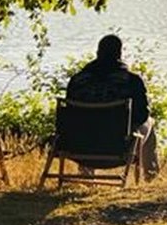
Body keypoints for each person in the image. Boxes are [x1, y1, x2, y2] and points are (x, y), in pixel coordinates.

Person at [65, 33, 160, 180]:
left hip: (78, 147)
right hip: (118, 147)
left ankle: (86, 175)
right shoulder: (132, 81)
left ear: (98, 53)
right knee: (149, 121)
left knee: (87, 121)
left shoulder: (77, 80)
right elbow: (142, 115)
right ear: (119, 54)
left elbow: (70, 115)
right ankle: (150, 176)